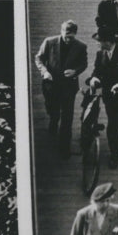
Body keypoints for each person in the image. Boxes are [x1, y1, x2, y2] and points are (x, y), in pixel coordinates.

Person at [34, 20, 88, 158]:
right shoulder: (49, 42)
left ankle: (64, 149)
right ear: (61, 31)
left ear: (75, 34)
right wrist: (44, 72)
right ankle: (53, 119)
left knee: (67, 118)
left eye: (71, 37)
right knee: (52, 110)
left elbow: (83, 64)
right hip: (51, 85)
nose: (68, 39)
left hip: (68, 87)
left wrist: (75, 72)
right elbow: (39, 59)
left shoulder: (81, 47)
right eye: (66, 36)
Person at [88, 25, 118, 169]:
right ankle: (115, 156)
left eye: (100, 41)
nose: (98, 44)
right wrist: (94, 78)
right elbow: (97, 71)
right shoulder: (101, 54)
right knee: (113, 126)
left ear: (108, 41)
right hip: (109, 96)